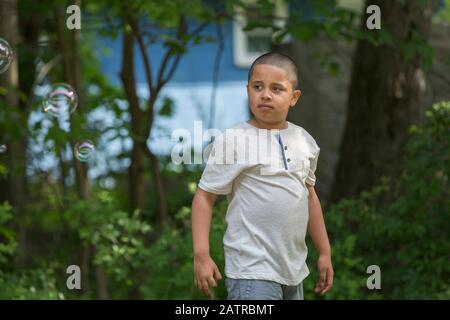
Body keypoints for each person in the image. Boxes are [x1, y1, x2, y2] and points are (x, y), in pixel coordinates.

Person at [191, 52, 333, 300]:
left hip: (292, 271)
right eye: (258, 87)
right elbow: (204, 197)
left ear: (294, 97)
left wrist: (324, 252)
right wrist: (201, 254)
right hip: (251, 271)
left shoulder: (304, 141)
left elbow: (310, 197)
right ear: (248, 91)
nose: (265, 94)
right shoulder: (234, 140)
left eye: (276, 89)